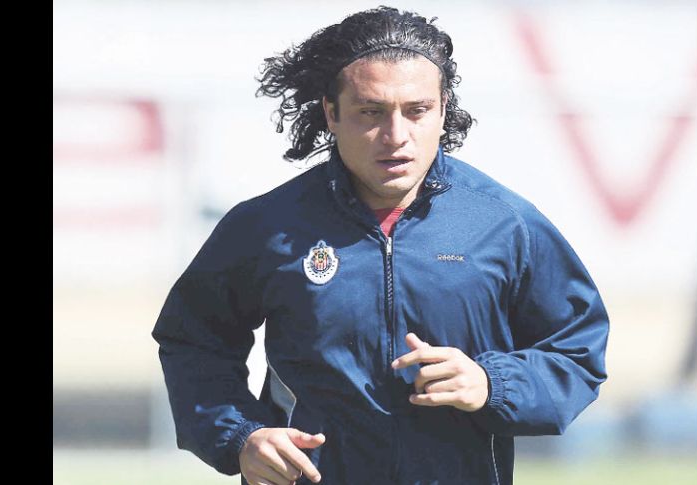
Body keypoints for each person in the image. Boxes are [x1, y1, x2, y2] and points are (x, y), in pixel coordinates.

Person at [152, 6, 609, 485]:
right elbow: (193, 340)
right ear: (331, 112)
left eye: (417, 111)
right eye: (371, 112)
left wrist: (493, 384)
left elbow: (576, 352)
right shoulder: (266, 226)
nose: (396, 136)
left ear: (442, 107)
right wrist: (241, 435)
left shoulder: (505, 224)